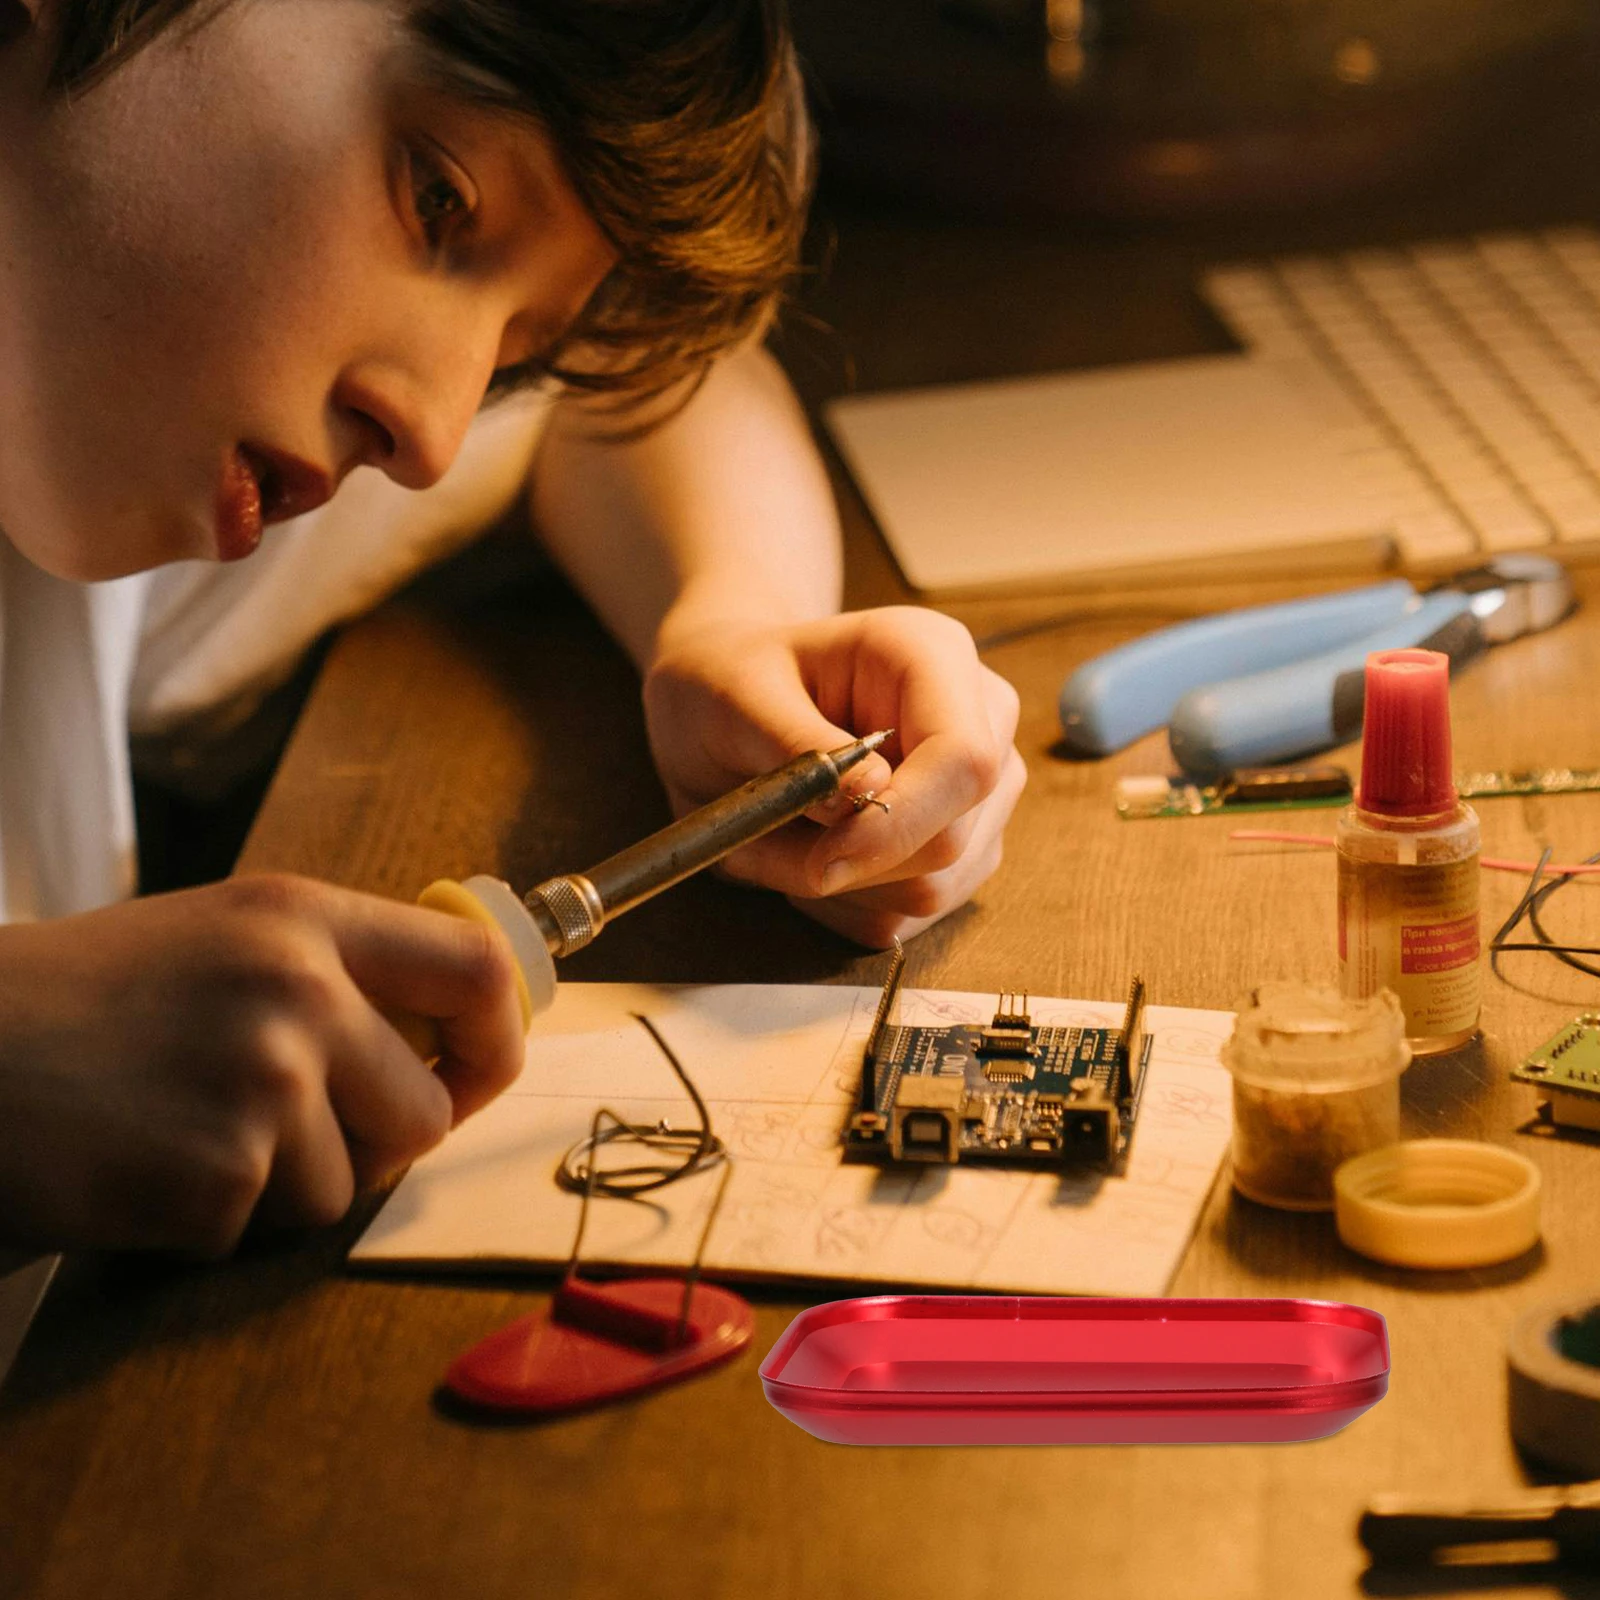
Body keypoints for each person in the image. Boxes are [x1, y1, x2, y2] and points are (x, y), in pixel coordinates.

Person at [0, 0, 1025, 1260]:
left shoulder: (84, 378)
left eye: (511, 351)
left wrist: (733, 622)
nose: (431, 433)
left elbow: (647, 397)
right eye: (438, 201)